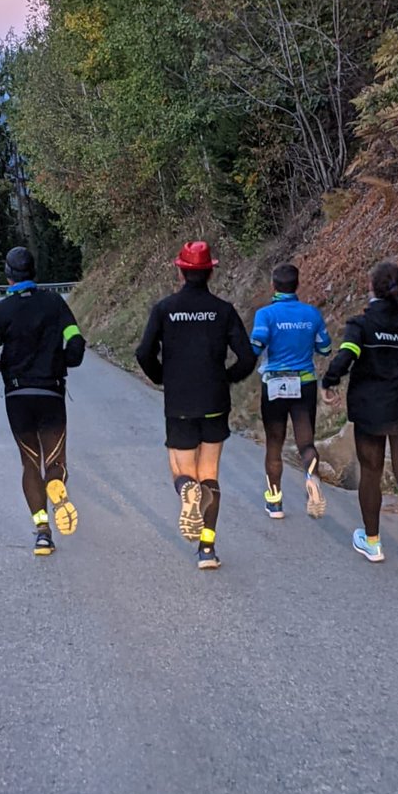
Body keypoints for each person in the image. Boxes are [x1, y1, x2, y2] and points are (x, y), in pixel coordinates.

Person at [135, 240, 255, 569]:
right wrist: (227, 378)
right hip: (215, 399)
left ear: (181, 270)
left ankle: (186, 491)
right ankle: (207, 549)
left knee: (182, 471)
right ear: (210, 271)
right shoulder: (224, 310)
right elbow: (247, 357)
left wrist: (161, 377)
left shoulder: (164, 309)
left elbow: (143, 352)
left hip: (180, 402)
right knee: (211, 475)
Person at [321, 261, 398, 568]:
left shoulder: (361, 325)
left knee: (371, 475)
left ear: (370, 288)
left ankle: (373, 543)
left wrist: (329, 382)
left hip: (371, 413)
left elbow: (346, 355)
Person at [0, 246, 86, 557]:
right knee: (55, 461)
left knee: (29, 462)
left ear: (8, 275)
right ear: (34, 272)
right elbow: (76, 343)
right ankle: (56, 485)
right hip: (51, 392)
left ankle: (42, 532)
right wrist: (61, 360)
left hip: (18, 396)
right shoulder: (54, 303)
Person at [250, 262, 332, 519]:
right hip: (305, 383)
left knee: (274, 443)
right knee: (305, 442)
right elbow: (326, 348)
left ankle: (274, 501)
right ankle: (312, 477)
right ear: (297, 285)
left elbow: (255, 347)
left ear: (273, 286)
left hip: (274, 383)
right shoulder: (312, 314)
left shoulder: (265, 315)